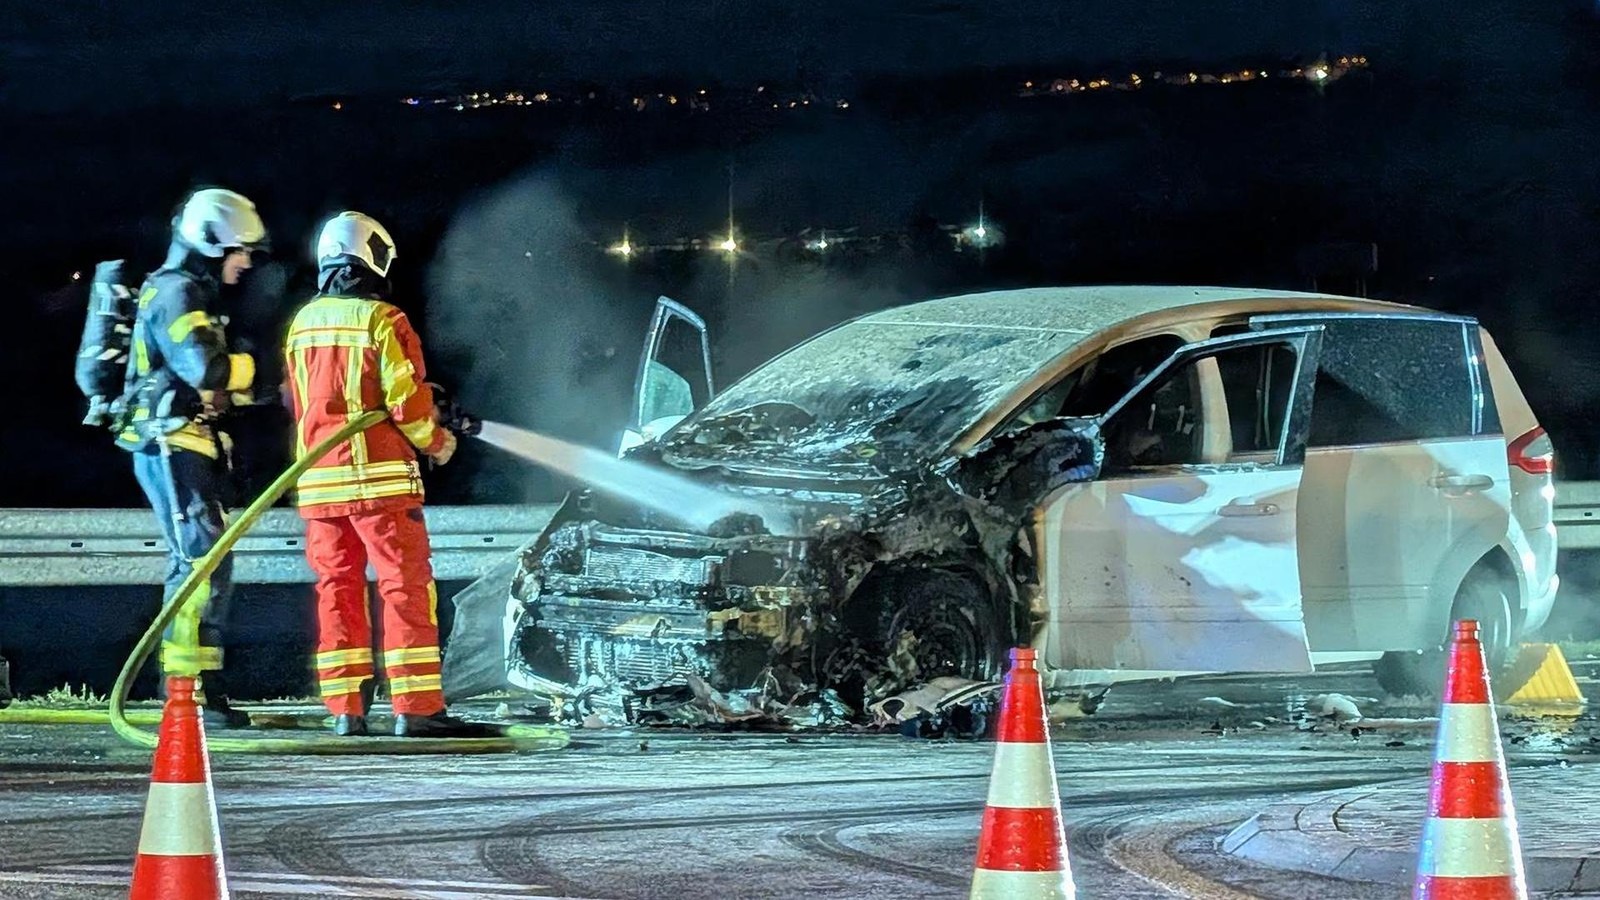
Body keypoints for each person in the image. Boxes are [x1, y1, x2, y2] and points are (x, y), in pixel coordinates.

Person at [283, 211, 471, 737]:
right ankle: (416, 708)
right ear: (373, 257)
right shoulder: (384, 320)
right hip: (382, 484)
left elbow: (302, 403)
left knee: (336, 593)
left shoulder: (301, 325)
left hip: (319, 486)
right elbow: (406, 406)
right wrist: (440, 441)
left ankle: (346, 710)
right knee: (404, 589)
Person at [116, 187, 267, 728]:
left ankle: (192, 688)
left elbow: (214, 384)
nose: (246, 262)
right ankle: (187, 691)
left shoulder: (188, 294)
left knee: (206, 561)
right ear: (209, 244)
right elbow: (204, 371)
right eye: (238, 251)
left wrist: (255, 388)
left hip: (189, 441)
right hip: (169, 442)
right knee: (201, 561)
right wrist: (264, 370)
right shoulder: (178, 293)